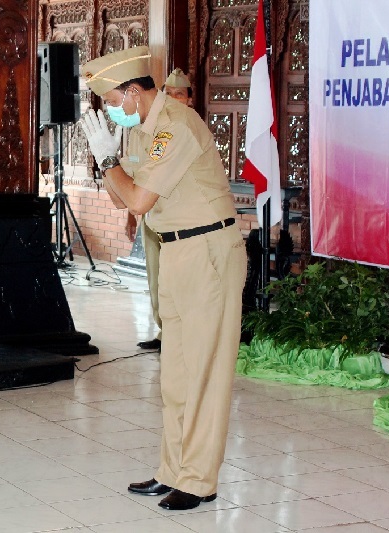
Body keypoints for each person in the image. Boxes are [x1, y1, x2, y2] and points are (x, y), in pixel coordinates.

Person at [80, 46, 246, 511]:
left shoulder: (176, 126)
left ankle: (198, 479)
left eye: (113, 99)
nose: (111, 109)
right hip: (175, 250)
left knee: (204, 371)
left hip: (207, 251)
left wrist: (109, 163)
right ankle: (173, 469)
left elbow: (137, 201)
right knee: (176, 372)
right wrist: (104, 159)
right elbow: (122, 200)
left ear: (134, 92)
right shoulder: (142, 131)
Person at [129, 67, 194, 352]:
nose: (174, 98)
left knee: (180, 277)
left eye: (179, 94)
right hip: (152, 215)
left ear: (190, 99)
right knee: (155, 275)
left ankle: (181, 332)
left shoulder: (189, 127)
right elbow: (136, 176)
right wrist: (131, 216)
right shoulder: (146, 130)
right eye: (169, 94)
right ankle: (163, 330)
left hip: (182, 217)